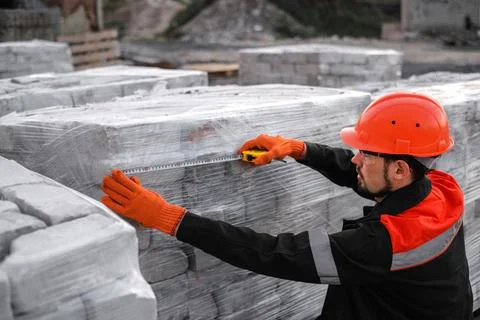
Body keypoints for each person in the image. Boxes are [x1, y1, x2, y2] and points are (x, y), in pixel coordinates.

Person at [101, 92, 473, 320]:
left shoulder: (385, 244)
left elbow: (275, 253)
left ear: (399, 168)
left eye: (366, 153)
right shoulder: (439, 187)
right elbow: (356, 173)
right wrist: (298, 149)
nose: (356, 159)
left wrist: (169, 218)